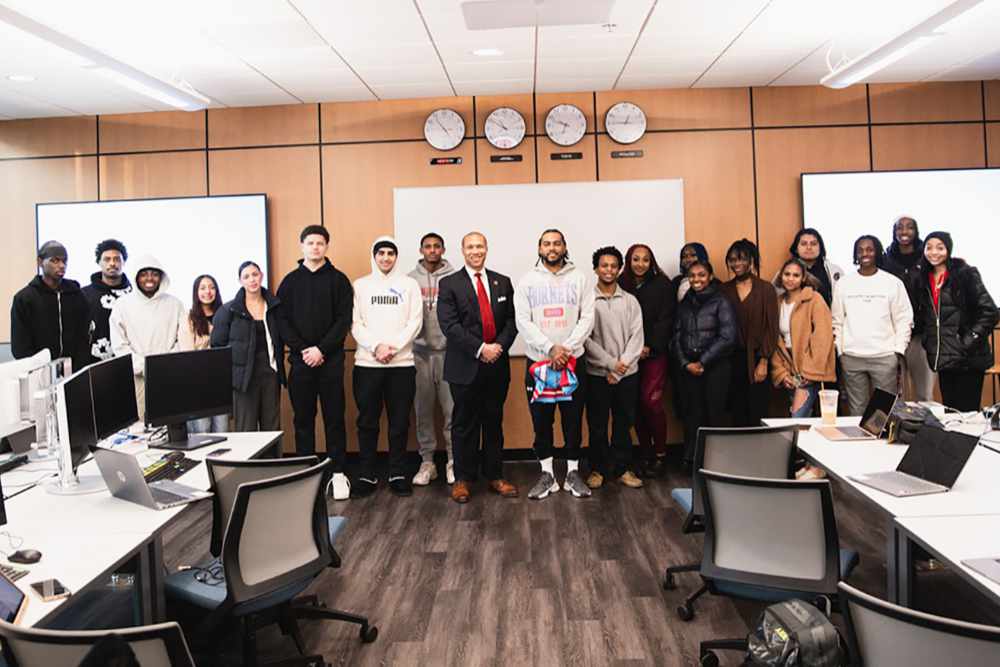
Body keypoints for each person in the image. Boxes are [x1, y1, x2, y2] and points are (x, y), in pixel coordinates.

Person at [437, 232, 519, 503]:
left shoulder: (502, 282)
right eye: (470, 246)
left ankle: (495, 475)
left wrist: (497, 348)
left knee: (493, 422)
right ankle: (463, 479)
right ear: (462, 250)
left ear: (486, 249)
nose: (475, 251)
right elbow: (450, 325)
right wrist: (481, 348)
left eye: (480, 246)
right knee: (463, 424)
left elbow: (511, 322)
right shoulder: (449, 284)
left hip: (496, 365)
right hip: (465, 366)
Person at [515, 229, 596, 500]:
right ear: (539, 248)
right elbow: (523, 321)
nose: (552, 248)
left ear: (564, 247)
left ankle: (573, 474)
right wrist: (550, 348)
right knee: (542, 422)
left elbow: (587, 318)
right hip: (539, 363)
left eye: (557, 243)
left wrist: (566, 350)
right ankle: (547, 475)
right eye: (547, 243)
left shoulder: (580, 278)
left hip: (573, 362)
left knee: (573, 421)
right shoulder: (527, 281)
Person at [277, 225, 353, 500]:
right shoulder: (289, 282)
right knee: (303, 421)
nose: (315, 247)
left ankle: (338, 474)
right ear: (302, 246)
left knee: (334, 420)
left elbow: (343, 320)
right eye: (310, 243)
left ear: (326, 247)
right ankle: (307, 475)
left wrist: (321, 349)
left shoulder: (339, 280)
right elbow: (281, 321)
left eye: (320, 243)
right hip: (300, 363)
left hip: (330, 362)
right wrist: (304, 350)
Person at [351, 236, 423, 498]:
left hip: (401, 365)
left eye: (390, 253)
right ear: (374, 256)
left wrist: (392, 348)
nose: (385, 258)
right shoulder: (360, 285)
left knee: (399, 422)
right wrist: (376, 348)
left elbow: (415, 322)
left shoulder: (409, 285)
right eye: (380, 253)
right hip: (367, 365)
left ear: (396, 256)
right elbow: (356, 324)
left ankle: (397, 473)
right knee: (367, 422)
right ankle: (367, 474)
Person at [915, 231, 998, 412]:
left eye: (940, 248)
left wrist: (968, 340)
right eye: (929, 248)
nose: (933, 252)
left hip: (968, 358)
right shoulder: (923, 279)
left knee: (967, 416)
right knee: (951, 416)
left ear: (948, 250)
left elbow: (989, 311)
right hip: (944, 359)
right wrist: (929, 342)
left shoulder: (965, 274)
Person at [831, 235, 912, 416]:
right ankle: (858, 445)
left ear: (877, 252)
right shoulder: (844, 283)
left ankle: (881, 444)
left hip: (884, 357)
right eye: (860, 250)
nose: (864, 253)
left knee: (881, 414)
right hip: (851, 357)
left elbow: (904, 319)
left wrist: (897, 351)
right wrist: (840, 351)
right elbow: (837, 320)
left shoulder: (892, 283)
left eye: (869, 249)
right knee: (856, 412)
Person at [585, 247, 644, 490]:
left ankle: (622, 468)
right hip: (597, 374)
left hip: (627, 375)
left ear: (620, 269)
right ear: (596, 268)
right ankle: (598, 469)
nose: (608, 270)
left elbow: (637, 337)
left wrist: (619, 369)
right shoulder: (587, 300)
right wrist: (610, 364)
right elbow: (584, 339)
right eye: (603, 265)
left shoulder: (630, 301)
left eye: (613, 265)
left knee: (623, 422)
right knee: (597, 424)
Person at [673, 260, 737, 465]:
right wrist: (685, 363)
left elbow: (728, 337)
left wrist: (703, 362)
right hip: (689, 368)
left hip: (715, 367)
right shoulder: (685, 302)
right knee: (692, 414)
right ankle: (692, 460)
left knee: (714, 415)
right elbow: (675, 336)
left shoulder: (721, 301)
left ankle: (715, 464)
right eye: (692, 275)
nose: (696, 279)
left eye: (701, 275)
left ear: (710, 276)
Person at [619, 243, 674, 477]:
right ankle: (645, 454)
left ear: (651, 262)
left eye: (645, 260)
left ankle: (660, 454)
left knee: (650, 402)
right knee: (635, 406)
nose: (640, 264)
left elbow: (666, 319)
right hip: (628, 354)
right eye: (635, 259)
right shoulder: (621, 285)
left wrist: (648, 346)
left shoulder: (663, 285)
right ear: (628, 262)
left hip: (654, 353)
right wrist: (631, 349)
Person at [408, 232, 457, 486]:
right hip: (419, 354)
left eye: (437, 246)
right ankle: (427, 462)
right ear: (421, 249)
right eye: (427, 246)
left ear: (443, 249)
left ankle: (452, 460)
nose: (432, 250)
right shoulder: (409, 280)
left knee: (451, 411)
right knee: (423, 411)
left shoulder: (455, 277)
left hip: (449, 354)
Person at [109, 255, 185, 419]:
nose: (149, 278)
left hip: (168, 376)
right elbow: (119, 344)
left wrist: (164, 364)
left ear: (161, 277)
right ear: (136, 277)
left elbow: (182, 339)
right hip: (137, 378)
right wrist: (144, 366)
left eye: (154, 274)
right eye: (144, 274)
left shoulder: (175, 304)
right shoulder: (122, 305)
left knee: (171, 425)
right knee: (139, 428)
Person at [212, 261, 284, 433]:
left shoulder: (274, 306)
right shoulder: (229, 310)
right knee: (246, 428)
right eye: (246, 276)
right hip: (243, 378)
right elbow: (218, 346)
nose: (252, 279)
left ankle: (272, 461)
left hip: (270, 373)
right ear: (240, 281)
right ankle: (248, 461)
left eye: (255, 274)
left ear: (261, 276)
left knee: (272, 428)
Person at [721, 239, 779, 427]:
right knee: (736, 411)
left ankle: (759, 454)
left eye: (741, 259)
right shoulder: (724, 289)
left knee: (758, 409)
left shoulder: (765, 289)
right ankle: (739, 454)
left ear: (751, 260)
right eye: (732, 260)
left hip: (756, 358)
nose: (736, 264)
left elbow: (772, 327)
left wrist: (763, 361)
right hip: (730, 359)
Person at [771, 258, 836, 419]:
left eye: (795, 275)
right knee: (800, 421)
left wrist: (809, 371)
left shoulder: (814, 299)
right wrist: (782, 373)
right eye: (787, 274)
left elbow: (823, 336)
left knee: (797, 419)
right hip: (788, 368)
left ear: (803, 278)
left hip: (808, 369)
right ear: (781, 276)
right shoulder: (777, 303)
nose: (790, 278)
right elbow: (775, 341)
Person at [11, 241, 90, 372]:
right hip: (38, 373)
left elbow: (84, 335)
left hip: (74, 371)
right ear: (40, 262)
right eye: (55, 261)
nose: (61, 265)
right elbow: (20, 345)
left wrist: (79, 366)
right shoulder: (24, 298)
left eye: (64, 261)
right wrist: (37, 368)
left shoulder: (77, 295)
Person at [883, 215, 935, 402]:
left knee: (924, 394)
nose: (904, 232)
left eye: (909, 227)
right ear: (894, 232)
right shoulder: (885, 260)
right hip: (892, 335)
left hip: (921, 336)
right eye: (899, 228)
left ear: (916, 231)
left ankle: (926, 431)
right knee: (896, 396)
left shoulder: (928, 258)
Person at [179, 274, 228, 433]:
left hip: (222, 384)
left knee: (223, 431)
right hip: (198, 384)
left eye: (212, 287)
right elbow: (187, 354)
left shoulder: (226, 313)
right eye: (203, 288)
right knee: (202, 432)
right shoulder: (189, 318)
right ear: (196, 292)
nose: (208, 291)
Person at [82, 239, 132, 364]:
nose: (112, 263)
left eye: (117, 259)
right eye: (107, 259)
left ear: (124, 262)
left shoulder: (134, 294)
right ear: (99, 262)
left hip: (130, 362)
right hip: (93, 363)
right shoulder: (84, 294)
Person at [779, 228, 843, 306]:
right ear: (796, 248)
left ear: (820, 247)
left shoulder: (835, 271)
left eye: (813, 244)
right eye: (803, 244)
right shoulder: (786, 272)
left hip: (827, 316)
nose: (809, 247)